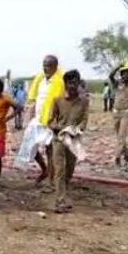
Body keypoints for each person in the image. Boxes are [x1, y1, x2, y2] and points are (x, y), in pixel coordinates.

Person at [47, 70, 89, 213]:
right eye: (70, 83)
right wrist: (59, 128)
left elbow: (84, 121)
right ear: (65, 84)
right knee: (59, 170)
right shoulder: (57, 100)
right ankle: (60, 201)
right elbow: (50, 121)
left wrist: (77, 129)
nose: (72, 86)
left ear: (78, 83)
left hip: (74, 140)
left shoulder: (84, 102)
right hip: (59, 139)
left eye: (75, 83)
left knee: (69, 170)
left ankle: (64, 195)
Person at [26, 55, 64, 186]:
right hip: (37, 119)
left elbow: (61, 103)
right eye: (44, 65)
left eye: (48, 65)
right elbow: (35, 100)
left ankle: (50, 181)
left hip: (51, 121)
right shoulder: (41, 80)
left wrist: (56, 122)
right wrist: (31, 115)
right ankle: (45, 170)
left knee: (49, 150)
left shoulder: (60, 82)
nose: (45, 68)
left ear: (55, 67)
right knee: (30, 146)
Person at [108, 61, 128, 166]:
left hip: (127, 113)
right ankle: (127, 154)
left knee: (122, 136)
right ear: (121, 74)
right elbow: (110, 75)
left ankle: (117, 157)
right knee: (118, 136)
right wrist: (118, 67)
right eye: (124, 73)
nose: (126, 75)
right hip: (116, 112)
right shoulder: (117, 84)